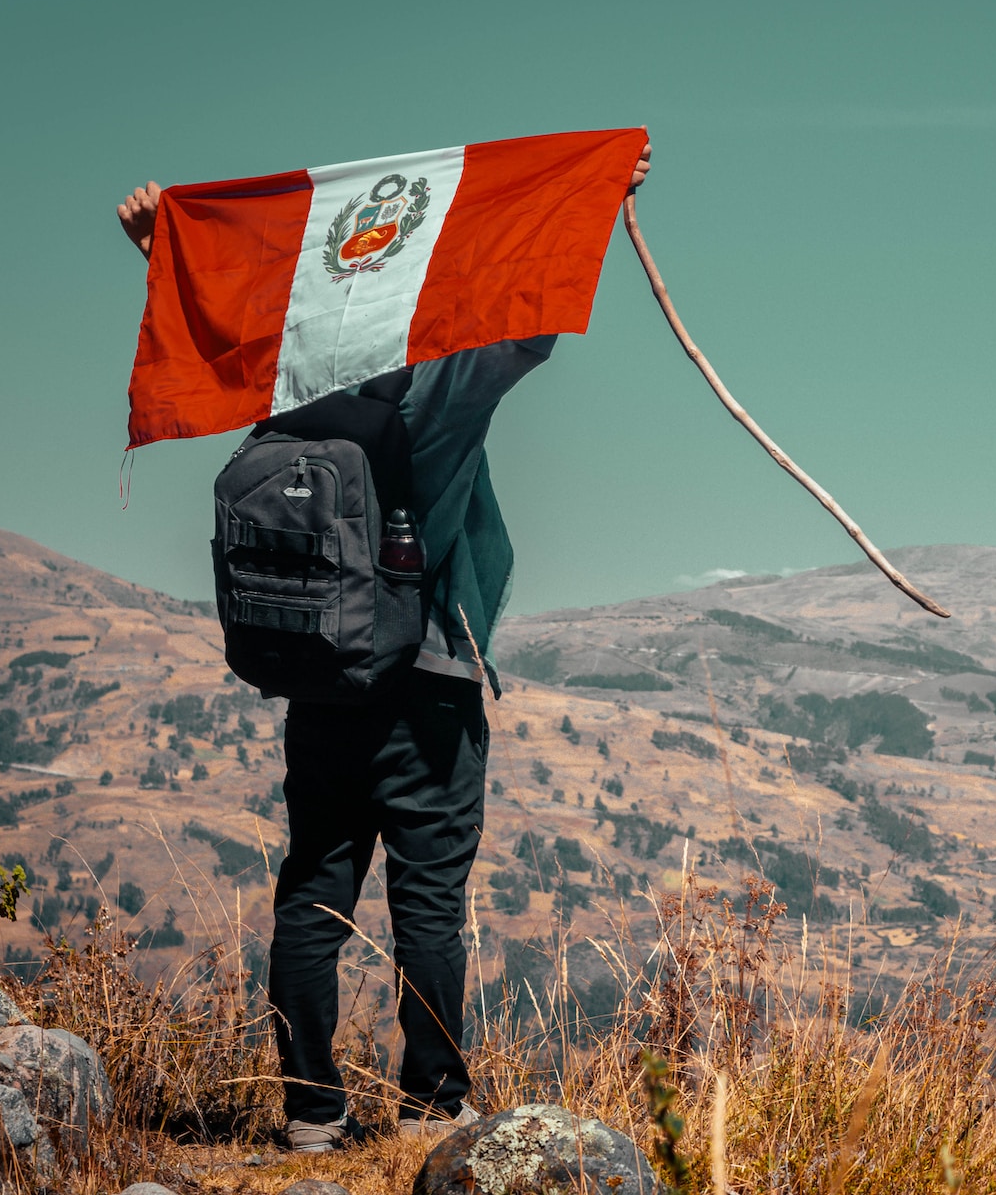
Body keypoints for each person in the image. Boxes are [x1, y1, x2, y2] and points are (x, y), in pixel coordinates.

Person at [115, 141, 651, 1150]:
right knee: (430, 904)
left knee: (313, 892)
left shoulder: (288, 387)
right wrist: (593, 192)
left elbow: (220, 316)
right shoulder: (437, 391)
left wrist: (158, 243)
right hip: (429, 685)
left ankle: (311, 1112)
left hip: (320, 684)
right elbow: (531, 327)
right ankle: (432, 1104)